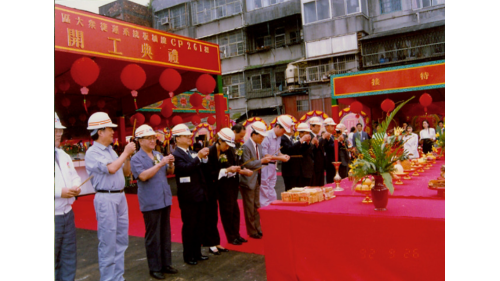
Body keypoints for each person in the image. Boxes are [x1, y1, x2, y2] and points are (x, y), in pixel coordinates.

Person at [85, 112, 136, 281]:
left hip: (120, 196)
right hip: (105, 198)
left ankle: (118, 277)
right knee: (108, 242)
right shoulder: (92, 152)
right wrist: (125, 153)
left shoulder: (111, 151)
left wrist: (127, 156)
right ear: (100, 131)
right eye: (109, 129)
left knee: (121, 240)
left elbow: (126, 172)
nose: (113, 132)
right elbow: (111, 169)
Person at [130, 124, 178, 280]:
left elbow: (169, 173)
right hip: (150, 202)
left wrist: (170, 164)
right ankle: (155, 267)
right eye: (148, 138)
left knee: (165, 233)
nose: (152, 140)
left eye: (153, 137)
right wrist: (161, 163)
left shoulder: (157, 154)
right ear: (140, 141)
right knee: (153, 236)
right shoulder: (136, 158)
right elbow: (143, 176)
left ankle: (166, 264)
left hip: (164, 198)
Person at [206, 128, 253, 249]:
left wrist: (240, 170)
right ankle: (231, 236)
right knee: (227, 211)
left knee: (235, 211)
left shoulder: (230, 149)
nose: (227, 147)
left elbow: (234, 165)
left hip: (232, 183)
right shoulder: (210, 152)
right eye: (226, 144)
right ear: (219, 141)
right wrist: (227, 170)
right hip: (220, 186)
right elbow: (210, 172)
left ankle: (236, 234)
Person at [171, 124, 210, 266]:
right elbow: (184, 169)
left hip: (199, 193)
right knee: (189, 226)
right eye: (186, 136)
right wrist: (198, 157)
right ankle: (188, 255)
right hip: (188, 196)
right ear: (177, 138)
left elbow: (200, 169)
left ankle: (197, 252)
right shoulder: (176, 155)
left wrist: (203, 159)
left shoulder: (191, 152)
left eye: (189, 135)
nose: (189, 138)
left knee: (199, 225)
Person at [55, 112, 82, 281]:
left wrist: (76, 186)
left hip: (67, 214)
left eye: (59, 130)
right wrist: (60, 192)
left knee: (68, 259)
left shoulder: (63, 155)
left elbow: (74, 175)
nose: (59, 133)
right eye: (54, 130)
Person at [239, 121, 272, 239]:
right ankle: (252, 231)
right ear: (254, 134)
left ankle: (258, 228)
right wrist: (262, 161)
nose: (262, 138)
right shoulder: (245, 146)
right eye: (261, 136)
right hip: (248, 181)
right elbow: (247, 164)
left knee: (257, 205)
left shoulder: (258, 145)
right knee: (249, 206)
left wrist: (265, 158)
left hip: (256, 179)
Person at [260, 115, 292, 207]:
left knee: (271, 187)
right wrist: (280, 158)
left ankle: (272, 207)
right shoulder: (267, 136)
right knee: (264, 188)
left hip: (273, 166)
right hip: (265, 166)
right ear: (277, 126)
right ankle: (265, 209)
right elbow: (265, 155)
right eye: (283, 130)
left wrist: (283, 156)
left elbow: (277, 152)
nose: (284, 132)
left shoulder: (278, 137)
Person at [281, 124, 311, 191]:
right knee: (290, 190)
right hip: (289, 170)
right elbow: (289, 150)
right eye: (291, 127)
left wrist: (307, 143)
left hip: (297, 170)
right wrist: (301, 140)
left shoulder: (291, 138)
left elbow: (299, 151)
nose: (293, 129)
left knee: (298, 190)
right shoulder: (282, 138)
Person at [309, 117, 326, 186]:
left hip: (320, 164)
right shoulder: (309, 136)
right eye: (317, 126)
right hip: (314, 165)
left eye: (319, 126)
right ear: (311, 127)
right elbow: (310, 150)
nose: (319, 128)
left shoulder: (318, 136)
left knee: (321, 184)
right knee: (315, 185)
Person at [322, 118, 336, 184]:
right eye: (331, 126)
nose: (333, 128)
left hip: (334, 160)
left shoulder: (333, 136)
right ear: (326, 127)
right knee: (330, 180)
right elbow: (327, 147)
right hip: (329, 161)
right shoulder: (324, 136)